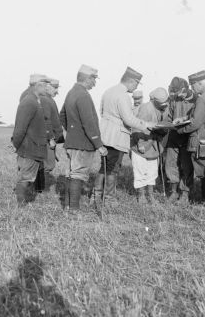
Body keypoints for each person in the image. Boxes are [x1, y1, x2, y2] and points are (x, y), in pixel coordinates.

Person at [97, 67, 157, 202]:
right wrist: (146, 125)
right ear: (131, 81)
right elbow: (128, 119)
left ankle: (96, 196)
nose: (135, 87)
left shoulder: (109, 91)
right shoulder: (123, 96)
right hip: (117, 138)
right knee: (113, 169)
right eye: (136, 84)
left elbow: (101, 112)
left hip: (105, 135)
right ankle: (109, 199)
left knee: (104, 167)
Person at [60, 65, 108, 210]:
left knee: (71, 174)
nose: (95, 83)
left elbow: (62, 116)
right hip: (83, 144)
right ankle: (74, 211)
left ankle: (68, 207)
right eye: (94, 79)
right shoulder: (83, 95)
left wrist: (72, 132)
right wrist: (99, 145)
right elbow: (89, 123)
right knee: (78, 175)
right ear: (88, 78)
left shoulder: (71, 92)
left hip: (72, 142)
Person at [175, 70, 205, 206]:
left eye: (193, 85)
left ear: (200, 83)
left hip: (201, 140)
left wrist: (180, 129)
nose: (192, 88)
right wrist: (184, 118)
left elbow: (196, 122)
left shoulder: (202, 98)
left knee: (202, 171)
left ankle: (204, 202)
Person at [11, 74, 50, 205]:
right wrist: (16, 145)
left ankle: (22, 202)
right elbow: (20, 128)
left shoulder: (35, 100)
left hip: (33, 146)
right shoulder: (29, 102)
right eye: (45, 85)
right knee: (26, 177)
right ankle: (20, 205)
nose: (47, 88)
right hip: (29, 147)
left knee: (28, 176)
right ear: (38, 85)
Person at [130, 88, 170, 203]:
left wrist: (165, 129)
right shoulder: (146, 108)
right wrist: (140, 144)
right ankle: (141, 196)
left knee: (152, 171)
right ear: (154, 100)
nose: (164, 105)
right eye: (161, 103)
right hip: (141, 145)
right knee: (140, 171)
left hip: (153, 145)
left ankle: (151, 195)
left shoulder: (164, 109)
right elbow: (137, 126)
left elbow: (164, 124)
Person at [164, 77, 195, 203]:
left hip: (187, 137)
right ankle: (173, 192)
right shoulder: (174, 100)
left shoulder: (196, 100)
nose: (175, 94)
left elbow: (196, 118)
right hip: (174, 136)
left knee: (186, 166)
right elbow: (170, 116)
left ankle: (185, 194)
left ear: (185, 89)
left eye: (177, 92)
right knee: (170, 164)